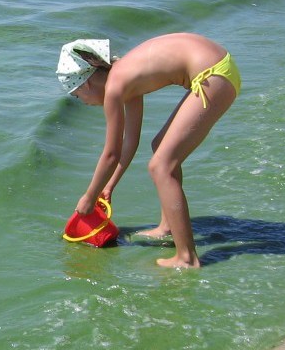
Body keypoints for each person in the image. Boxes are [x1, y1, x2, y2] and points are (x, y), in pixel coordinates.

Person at [55, 33, 240, 269]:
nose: (84, 102)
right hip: (219, 68)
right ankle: (167, 227)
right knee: (160, 147)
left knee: (161, 166)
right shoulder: (125, 76)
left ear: (86, 83)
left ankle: (186, 257)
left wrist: (89, 197)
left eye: (78, 95)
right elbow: (130, 142)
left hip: (213, 75)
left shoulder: (114, 88)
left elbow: (111, 153)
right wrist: (108, 186)